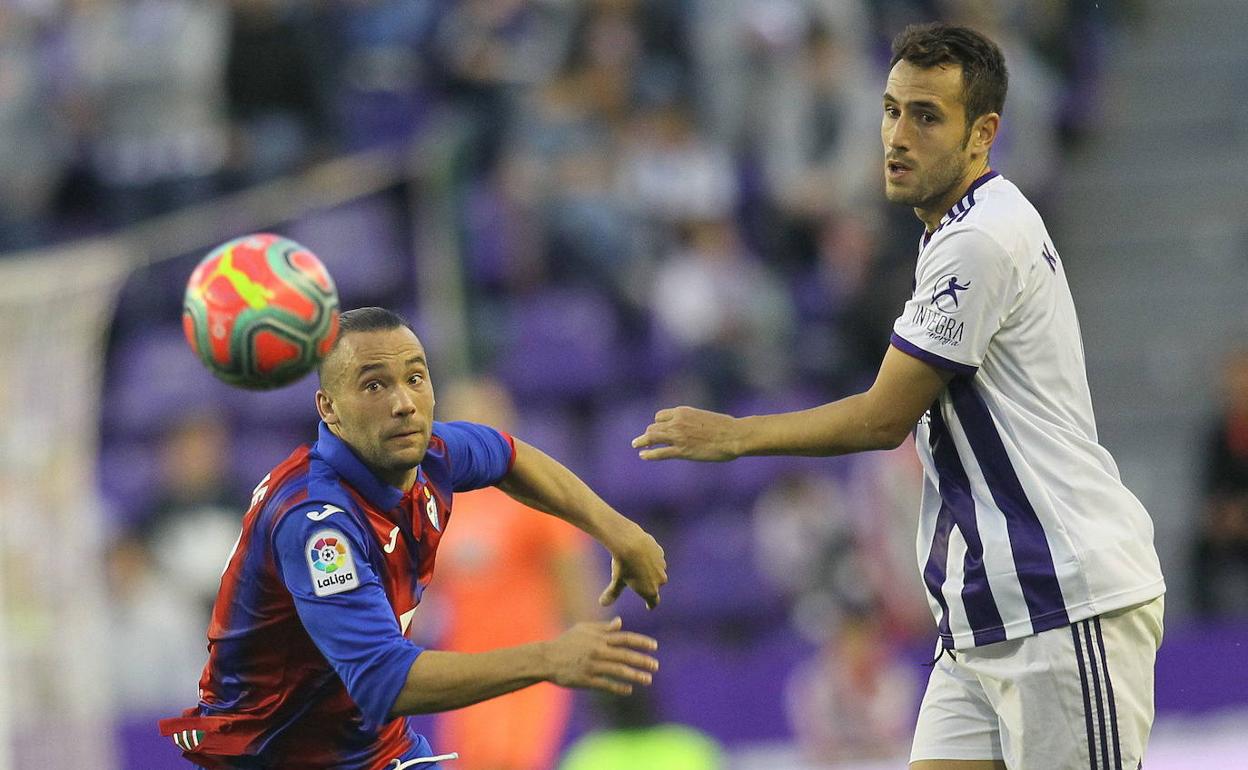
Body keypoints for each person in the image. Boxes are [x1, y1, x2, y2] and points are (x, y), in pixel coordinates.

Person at [632, 23, 1165, 770]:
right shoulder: (951, 230)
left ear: (984, 134)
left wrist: (735, 435)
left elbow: (885, 417)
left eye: (926, 116)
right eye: (890, 110)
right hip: (983, 618)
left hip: (1062, 601)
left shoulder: (982, 238)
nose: (897, 134)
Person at [160, 307, 667, 769]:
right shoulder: (317, 523)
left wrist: (620, 532)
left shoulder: (428, 454)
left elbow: (510, 456)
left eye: (415, 378)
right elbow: (384, 678)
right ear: (329, 408)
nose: (404, 403)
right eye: (375, 386)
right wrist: (550, 657)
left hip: (369, 743)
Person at [430, 376, 598, 770]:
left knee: (514, 762)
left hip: (528, 663)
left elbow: (571, 570)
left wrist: (589, 642)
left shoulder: (531, 494)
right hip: (463, 668)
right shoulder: (437, 501)